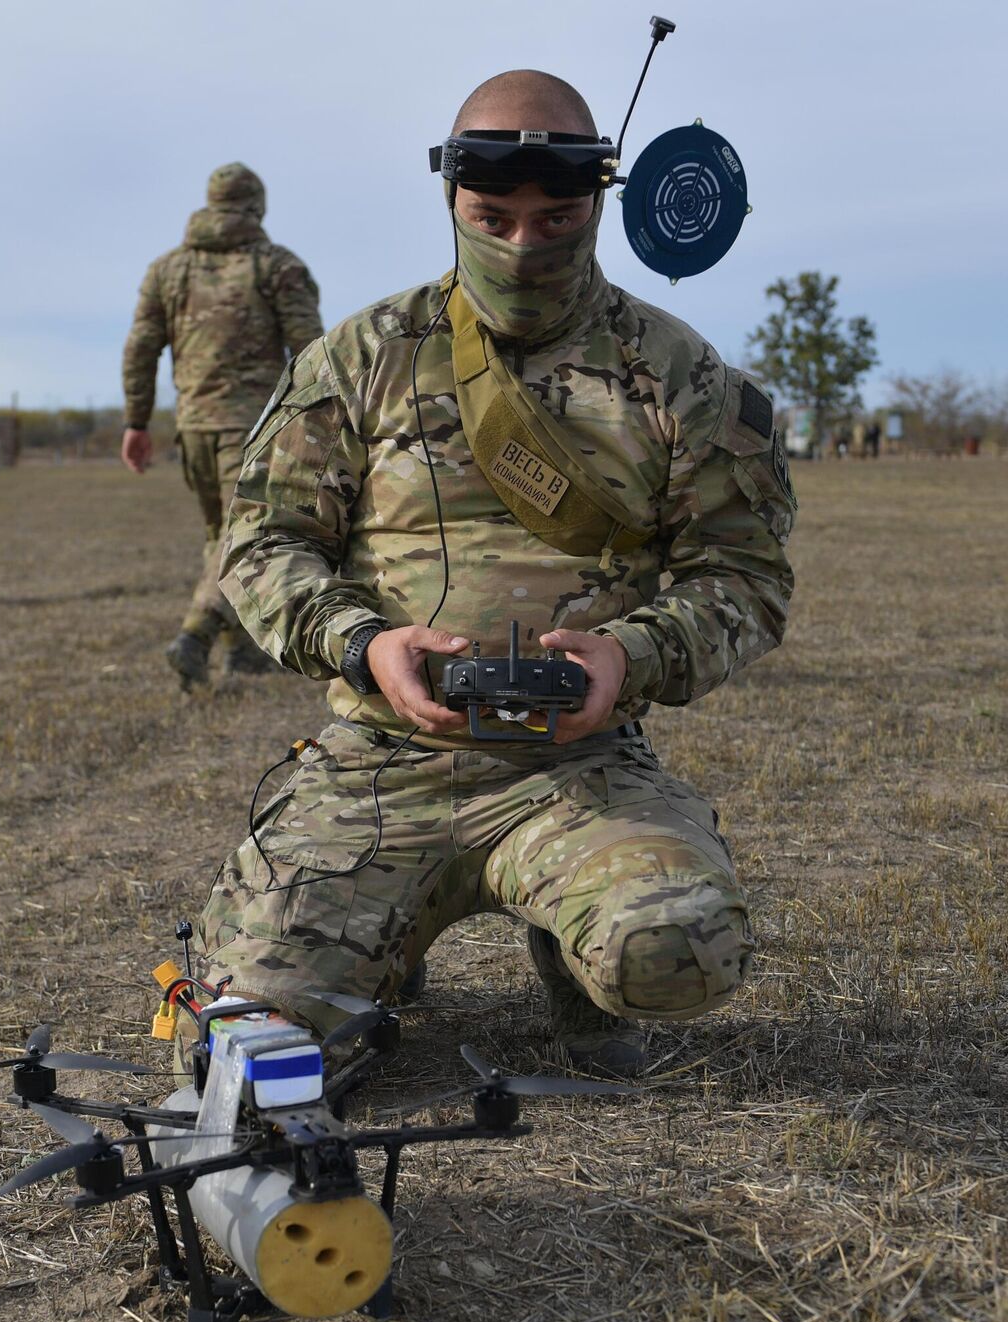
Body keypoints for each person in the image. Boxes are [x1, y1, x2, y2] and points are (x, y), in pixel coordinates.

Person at [190, 71, 796, 1076]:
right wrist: (363, 642)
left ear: (599, 202)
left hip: (581, 766)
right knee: (251, 1052)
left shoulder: (677, 374)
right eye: (494, 218)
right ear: (452, 202)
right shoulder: (364, 358)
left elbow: (744, 574)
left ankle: (578, 943)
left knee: (679, 949)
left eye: (556, 218)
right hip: (383, 765)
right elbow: (261, 543)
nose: (525, 245)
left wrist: (629, 656)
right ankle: (382, 936)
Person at [121, 163, 323, 687]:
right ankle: (197, 634)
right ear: (256, 206)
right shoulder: (276, 265)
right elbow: (312, 353)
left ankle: (244, 651)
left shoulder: (168, 270)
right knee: (239, 539)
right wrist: (321, 420)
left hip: (192, 427)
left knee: (220, 534)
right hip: (253, 426)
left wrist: (136, 421)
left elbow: (141, 347)